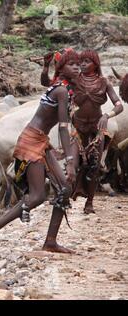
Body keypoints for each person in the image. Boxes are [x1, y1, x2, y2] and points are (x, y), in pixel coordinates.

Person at [0, 50, 80, 257]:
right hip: (32, 141)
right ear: (62, 69)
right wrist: (70, 160)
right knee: (37, 195)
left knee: (64, 188)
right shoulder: (61, 91)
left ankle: (50, 241)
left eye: (79, 64)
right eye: (72, 65)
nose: (77, 68)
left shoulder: (61, 86)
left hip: (39, 139)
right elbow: (63, 127)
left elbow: (46, 81)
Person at [69, 50, 123, 214]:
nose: (83, 64)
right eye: (81, 61)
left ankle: (90, 203)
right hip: (77, 130)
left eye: (87, 61)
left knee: (94, 166)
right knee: (73, 164)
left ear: (96, 63)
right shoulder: (73, 80)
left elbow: (119, 105)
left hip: (97, 131)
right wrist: (45, 67)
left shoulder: (104, 82)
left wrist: (107, 115)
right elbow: (47, 83)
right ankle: (67, 195)